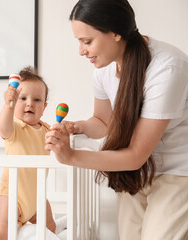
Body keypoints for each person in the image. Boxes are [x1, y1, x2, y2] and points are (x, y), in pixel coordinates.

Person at [45, 0, 188, 239]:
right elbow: (103, 121)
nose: (81, 51)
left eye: (87, 41)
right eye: (78, 42)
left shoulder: (167, 68)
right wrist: (77, 126)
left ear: (115, 33)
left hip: (176, 172)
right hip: (136, 174)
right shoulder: (103, 69)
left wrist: (71, 156)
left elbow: (135, 155)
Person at [0, 66, 56, 240]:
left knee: (50, 226)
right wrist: (8, 107)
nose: (30, 104)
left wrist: (66, 131)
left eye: (37, 100)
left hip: (37, 197)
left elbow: (59, 140)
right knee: (1, 230)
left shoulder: (47, 129)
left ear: (44, 106)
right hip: (12, 195)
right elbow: (3, 127)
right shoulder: (15, 127)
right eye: (22, 98)